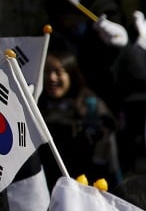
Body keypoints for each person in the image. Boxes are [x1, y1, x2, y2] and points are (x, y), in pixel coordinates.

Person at [38, 49, 119, 186]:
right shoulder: (36, 104)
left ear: (71, 74)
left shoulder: (88, 104)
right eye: (47, 72)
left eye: (59, 72)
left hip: (85, 183)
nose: (52, 78)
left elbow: (107, 134)